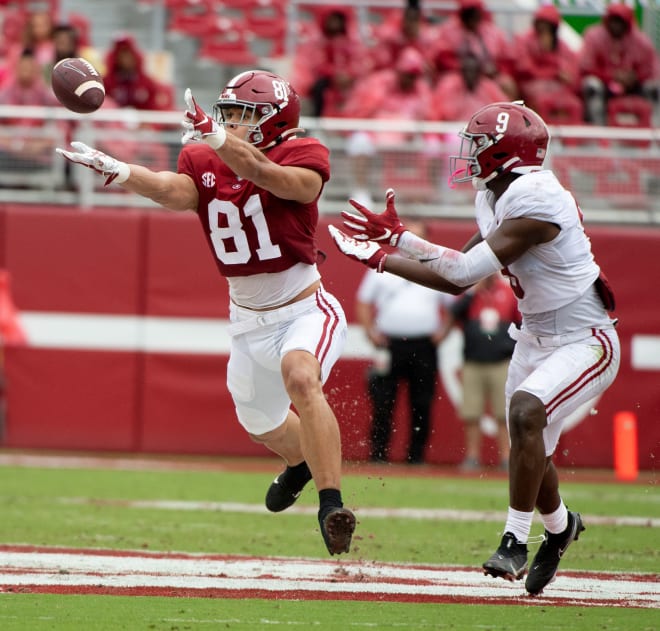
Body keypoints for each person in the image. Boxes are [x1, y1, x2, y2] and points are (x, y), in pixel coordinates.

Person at [55, 69, 356, 556]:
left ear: (274, 121)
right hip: (246, 320)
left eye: (242, 115)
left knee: (301, 376)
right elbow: (176, 193)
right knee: (261, 423)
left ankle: (332, 506)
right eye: (228, 114)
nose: (229, 122)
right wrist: (121, 171)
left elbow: (276, 179)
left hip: (304, 308)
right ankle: (300, 464)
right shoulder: (203, 156)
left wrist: (219, 139)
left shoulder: (304, 153)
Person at [329, 101, 620, 595]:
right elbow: (454, 281)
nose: (470, 152)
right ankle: (560, 527)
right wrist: (383, 258)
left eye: (479, 144)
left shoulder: (538, 196)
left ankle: (514, 541)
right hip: (533, 336)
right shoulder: (493, 195)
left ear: (508, 153)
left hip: (585, 337)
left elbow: (463, 272)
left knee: (527, 414)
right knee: (535, 449)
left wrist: (397, 242)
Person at [355, 218, 452, 464]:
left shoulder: (436, 267)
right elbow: (363, 300)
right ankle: (378, 454)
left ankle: (415, 456)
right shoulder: (383, 264)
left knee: (421, 402)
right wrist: (370, 331)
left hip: (424, 345)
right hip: (390, 345)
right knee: (382, 400)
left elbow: (453, 304)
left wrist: (444, 331)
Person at [440, 273, 520, 471]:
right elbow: (454, 312)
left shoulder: (508, 292)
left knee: (503, 413)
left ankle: (506, 456)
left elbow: (520, 322)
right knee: (472, 412)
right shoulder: (470, 293)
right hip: (473, 361)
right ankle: (472, 456)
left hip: (501, 361)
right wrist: (474, 291)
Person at [341, 46, 433, 206]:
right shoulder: (380, 82)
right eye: (407, 75)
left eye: (414, 76)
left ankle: (425, 197)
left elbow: (428, 118)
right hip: (376, 136)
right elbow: (362, 113)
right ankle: (360, 193)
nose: (410, 79)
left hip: (405, 140)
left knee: (432, 144)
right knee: (359, 141)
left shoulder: (421, 90)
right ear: (399, 71)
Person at [580, 3, 660, 126]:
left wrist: (634, 77)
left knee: (654, 88)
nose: (616, 25)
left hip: (633, 87)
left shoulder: (641, 41)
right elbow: (585, 67)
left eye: (620, 21)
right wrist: (611, 76)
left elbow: (650, 70)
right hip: (605, 86)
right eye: (614, 20)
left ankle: (653, 132)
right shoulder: (594, 36)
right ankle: (599, 130)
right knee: (591, 85)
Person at [430, 0, 517, 100]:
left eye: (474, 14)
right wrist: (465, 68)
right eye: (468, 14)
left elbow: (506, 59)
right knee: (446, 85)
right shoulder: (448, 31)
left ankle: (504, 114)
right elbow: (442, 58)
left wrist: (496, 69)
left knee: (507, 84)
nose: (471, 18)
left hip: (487, 76)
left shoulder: (493, 33)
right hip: (458, 75)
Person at [513, 5, 583, 126]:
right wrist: (552, 70)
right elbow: (525, 69)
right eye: (541, 24)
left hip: (557, 88)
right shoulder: (524, 39)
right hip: (531, 86)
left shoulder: (560, 44)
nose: (544, 29)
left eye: (548, 26)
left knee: (573, 103)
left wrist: (551, 60)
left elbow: (569, 75)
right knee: (542, 100)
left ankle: (571, 140)